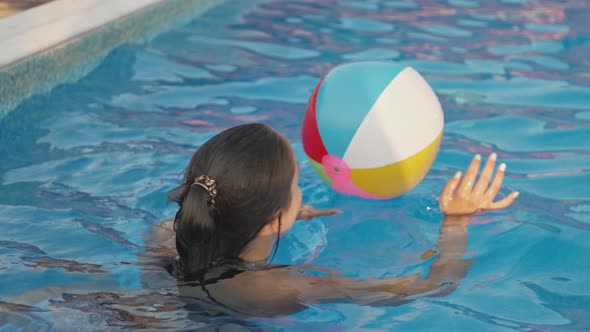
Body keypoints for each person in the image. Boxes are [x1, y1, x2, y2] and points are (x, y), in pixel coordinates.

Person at [149, 123, 518, 317]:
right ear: (274, 217)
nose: (302, 194)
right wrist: (456, 224)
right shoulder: (287, 286)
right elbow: (433, 286)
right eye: (296, 187)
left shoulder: (166, 235)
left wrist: (281, 215)